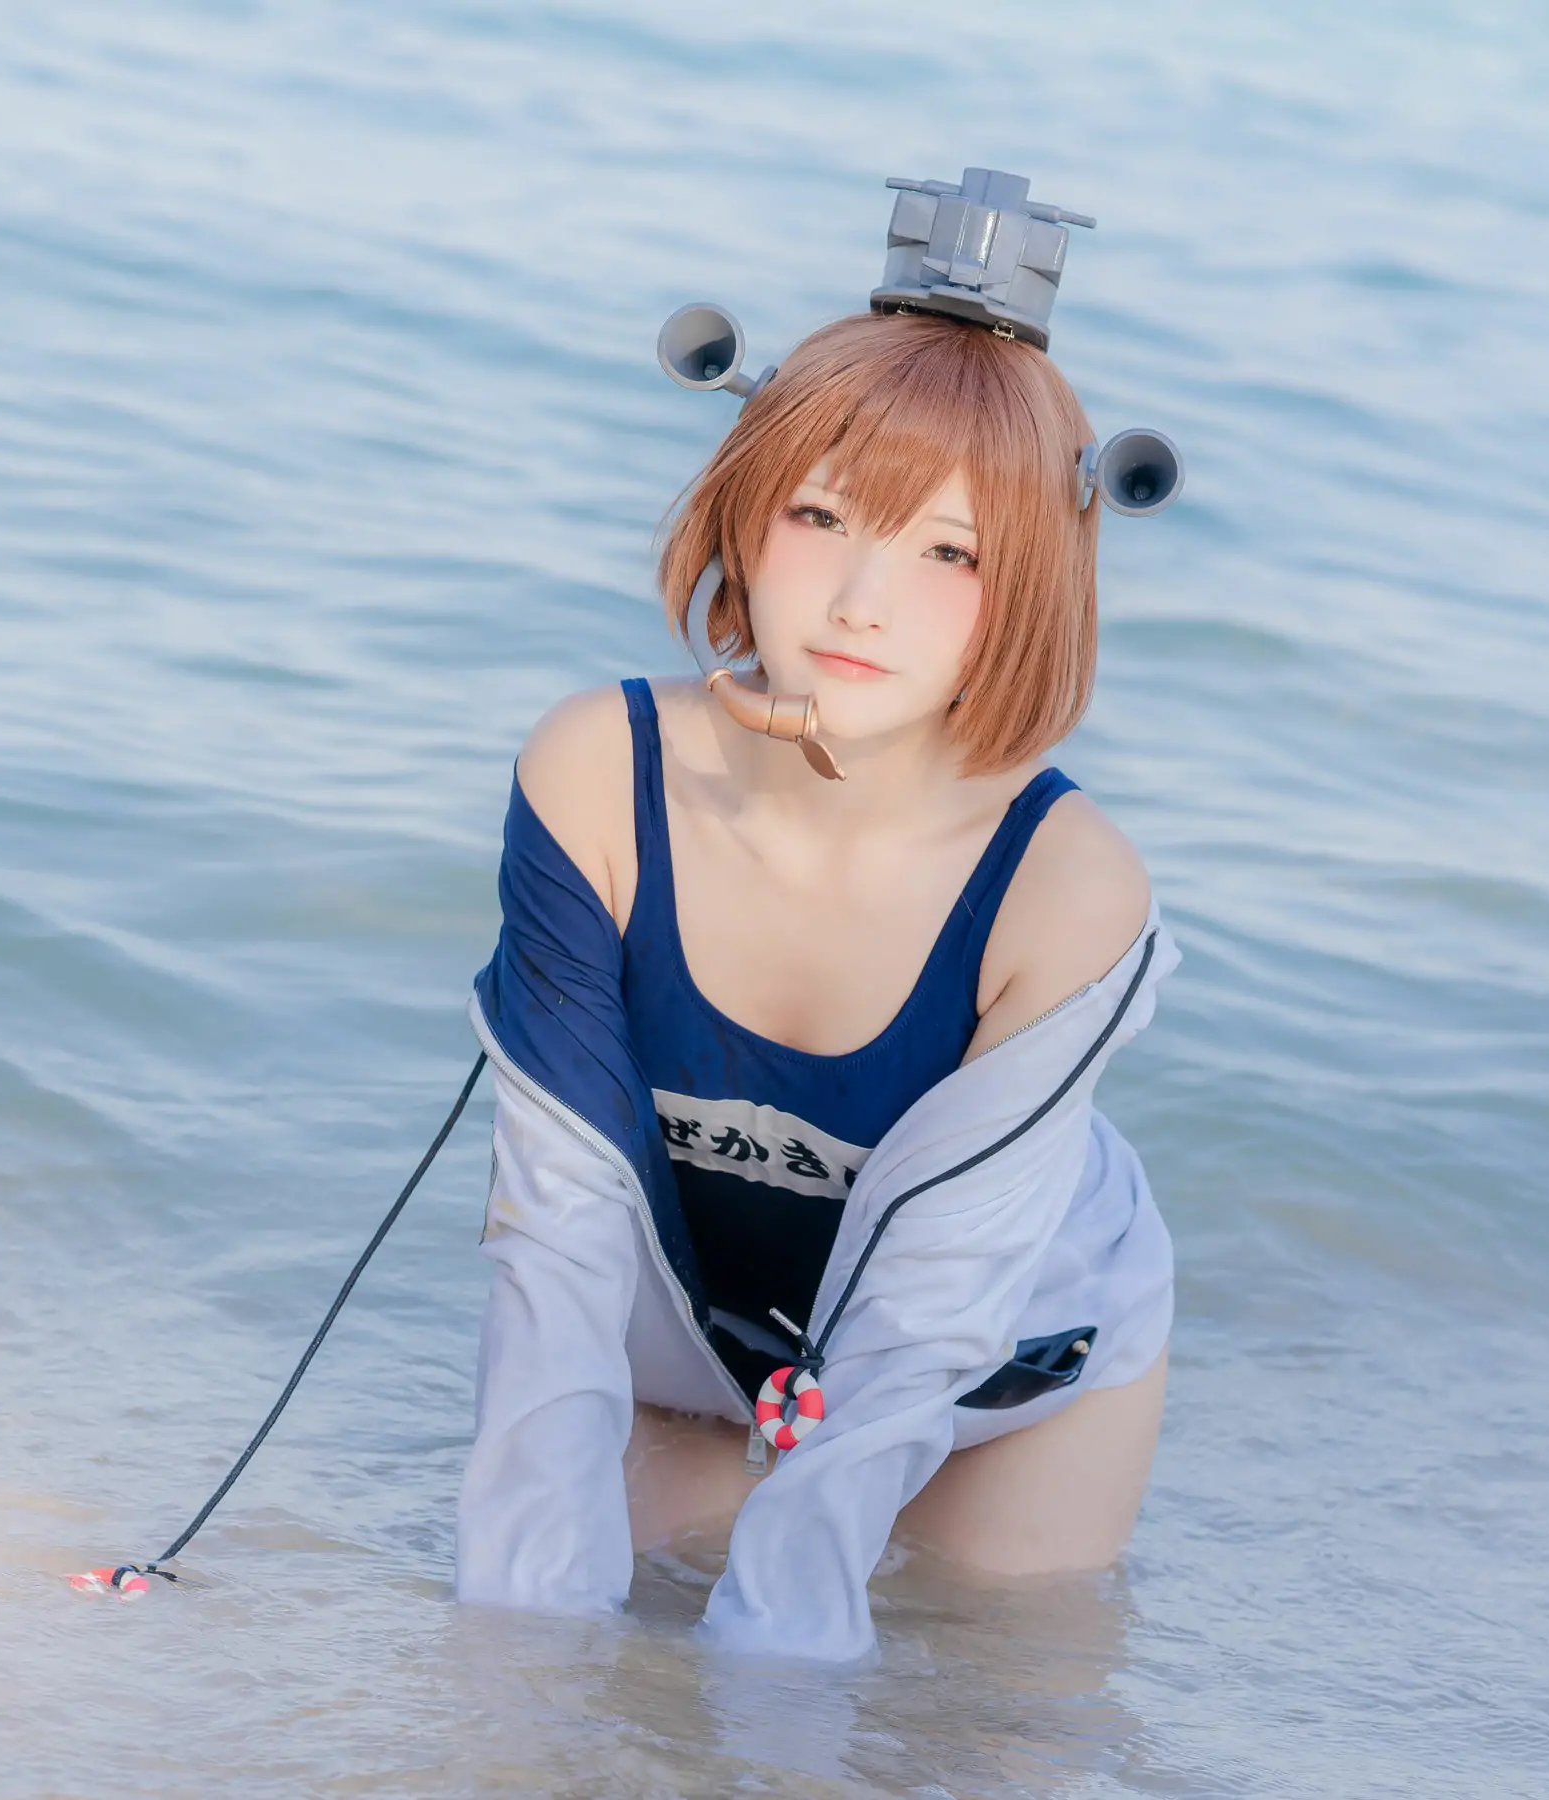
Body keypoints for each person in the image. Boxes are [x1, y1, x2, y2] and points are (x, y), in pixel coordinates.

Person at [454, 301, 1181, 1663]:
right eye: (821, 515)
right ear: (745, 514)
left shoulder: (1067, 882)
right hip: (697, 1359)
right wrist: (509, 1678)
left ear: (1035, 578)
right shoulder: (598, 771)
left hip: (1003, 1364)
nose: (861, 600)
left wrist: (790, 1699)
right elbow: (557, 1244)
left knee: (961, 1707)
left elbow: (927, 1324)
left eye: (951, 550)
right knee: (547, 1641)